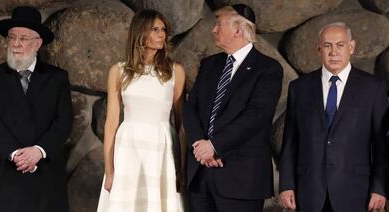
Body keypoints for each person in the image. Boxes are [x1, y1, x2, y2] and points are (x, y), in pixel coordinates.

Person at [183, 4, 283, 212]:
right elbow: (191, 107)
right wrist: (199, 146)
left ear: (238, 30)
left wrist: (214, 146)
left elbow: (256, 117)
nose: (214, 30)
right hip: (201, 175)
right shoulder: (210, 64)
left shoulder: (268, 69)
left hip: (241, 180)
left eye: (219, 25)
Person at [279, 22, 387, 212]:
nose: (333, 52)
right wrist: (286, 185)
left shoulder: (373, 88)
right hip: (309, 191)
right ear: (318, 49)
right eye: (327, 45)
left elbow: (381, 145)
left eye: (340, 45)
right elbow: (290, 142)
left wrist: (380, 188)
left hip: (355, 192)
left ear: (351, 47)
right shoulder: (299, 88)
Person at [0, 6, 73, 212]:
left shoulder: (57, 78)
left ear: (38, 43)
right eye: (12, 38)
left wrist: (38, 151)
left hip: (43, 173)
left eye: (23, 39)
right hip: (3, 173)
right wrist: (15, 154)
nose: (16, 44)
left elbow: (64, 120)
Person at [96, 9, 186, 212]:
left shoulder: (175, 71)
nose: (162, 34)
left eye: (163, 29)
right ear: (140, 32)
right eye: (155, 29)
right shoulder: (118, 71)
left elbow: (182, 125)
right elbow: (111, 124)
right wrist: (109, 170)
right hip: (129, 148)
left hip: (162, 147)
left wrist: (182, 170)